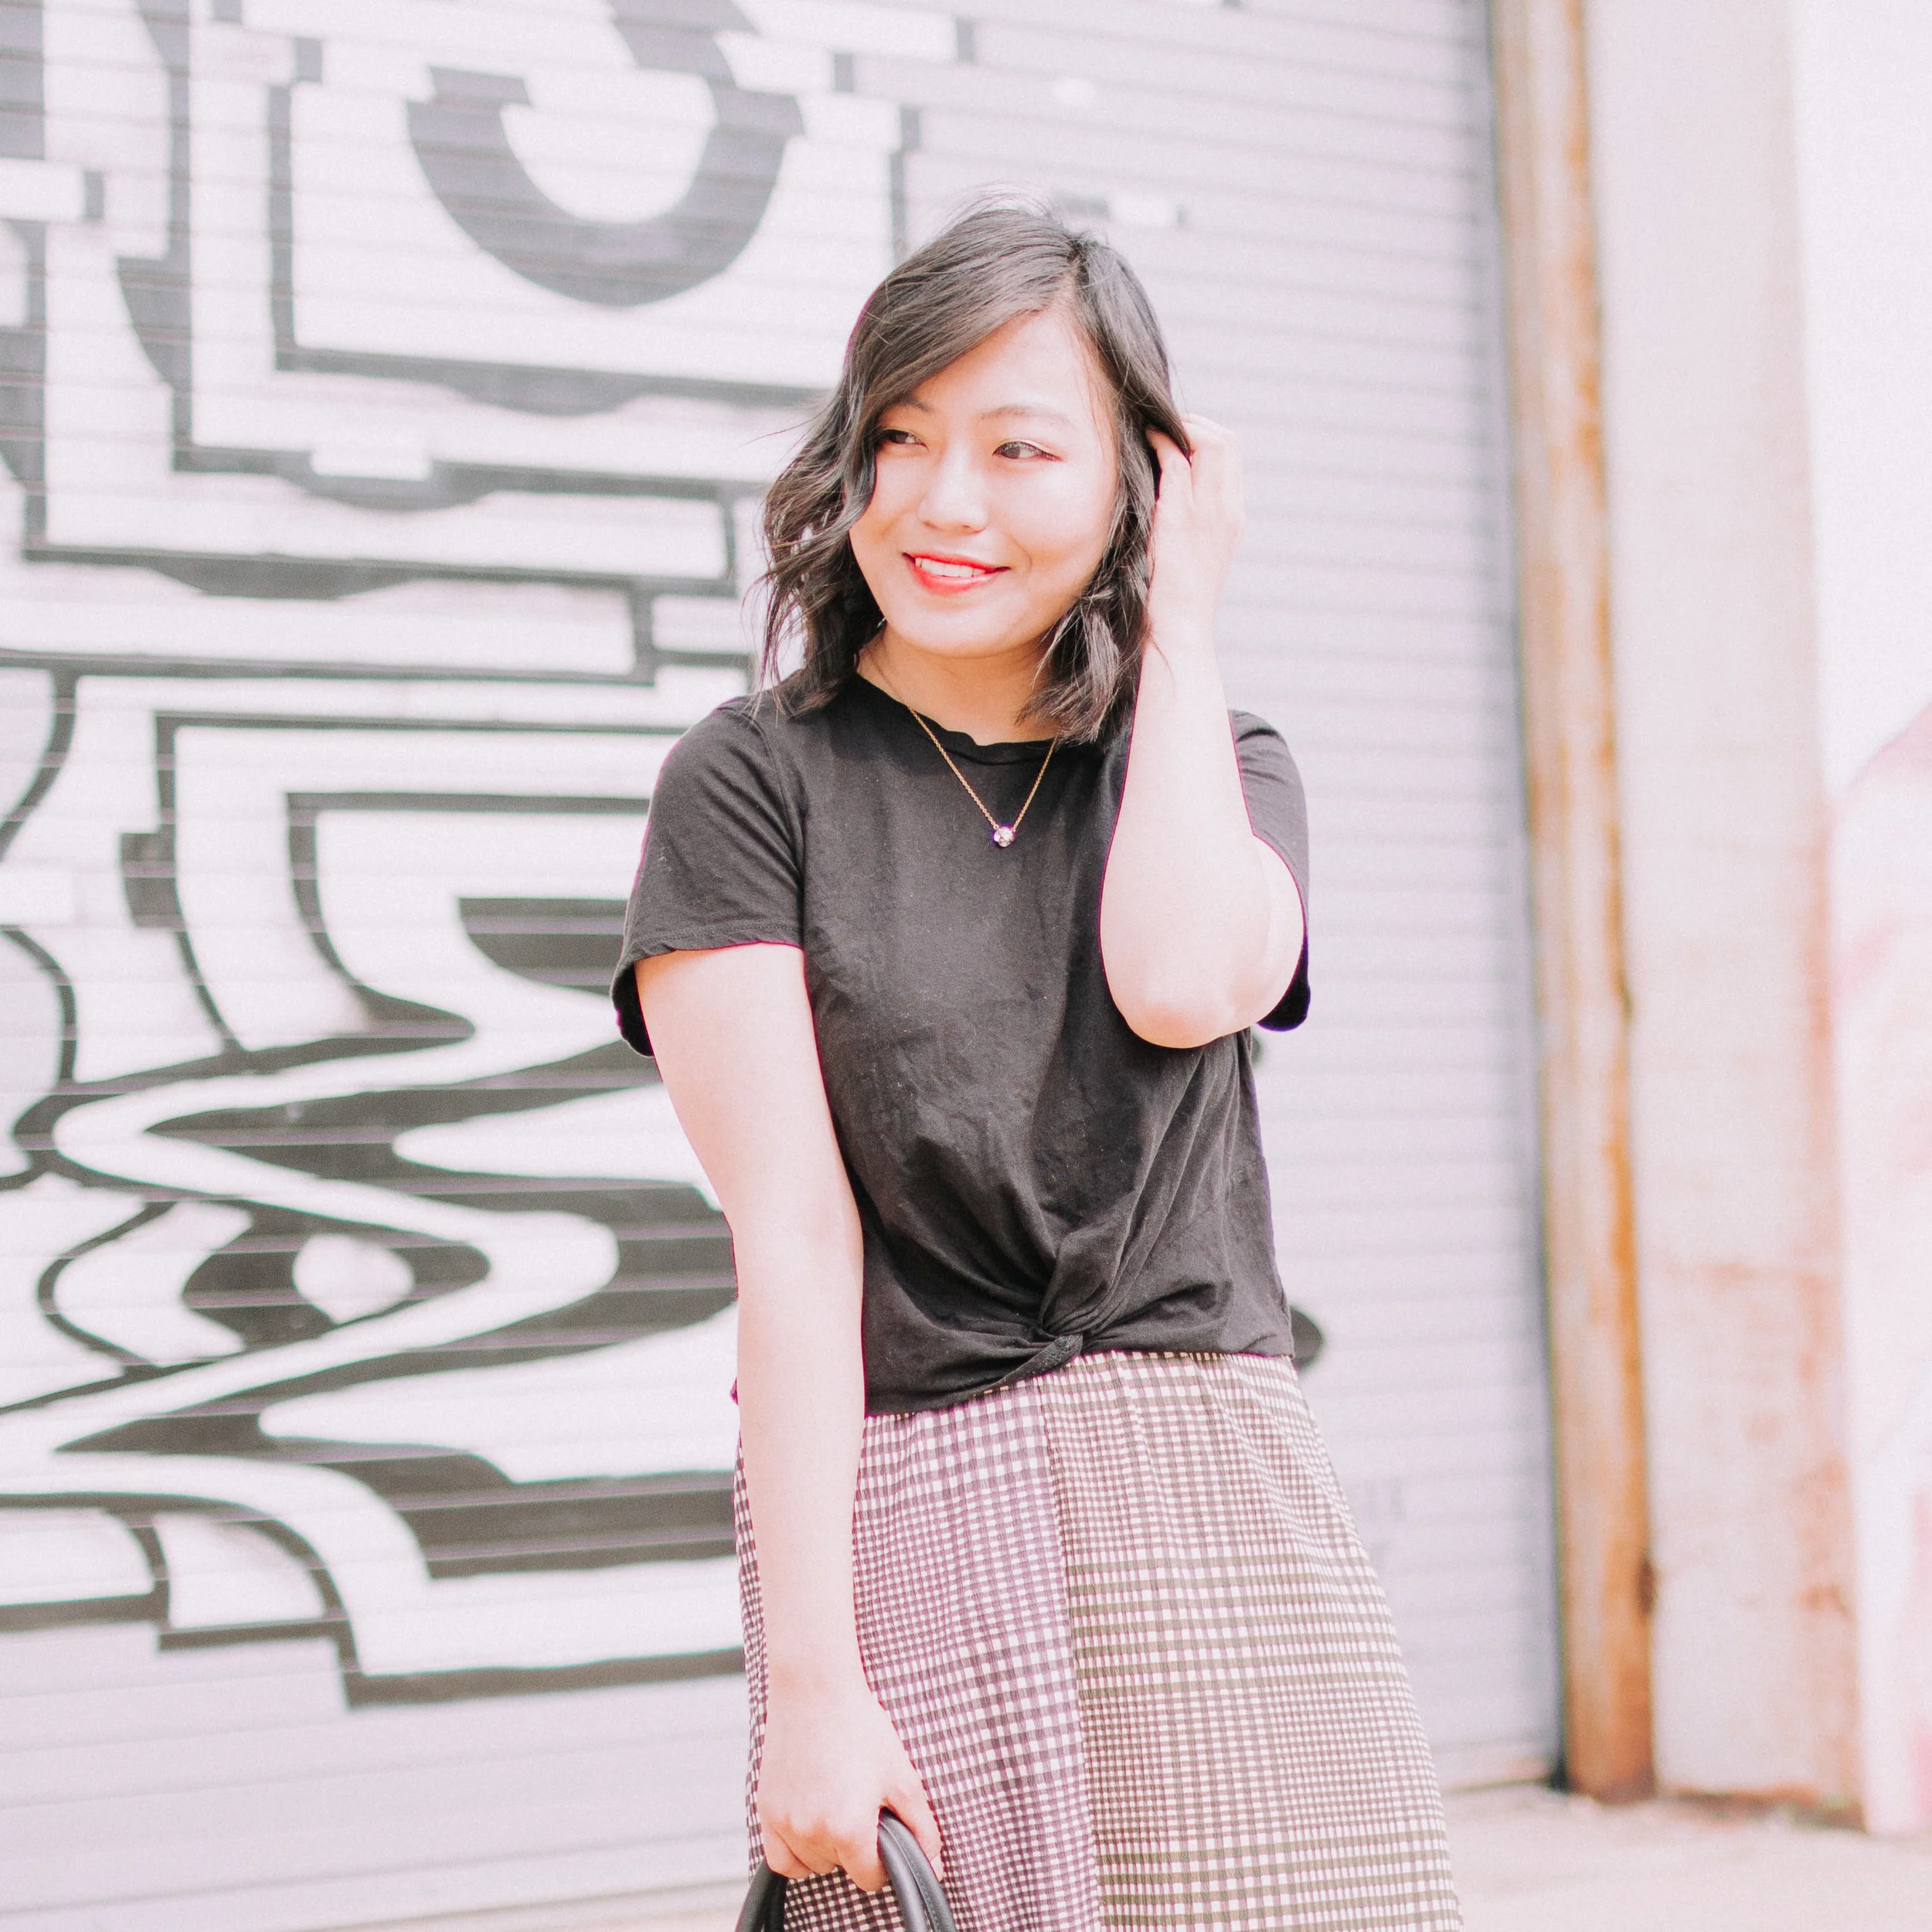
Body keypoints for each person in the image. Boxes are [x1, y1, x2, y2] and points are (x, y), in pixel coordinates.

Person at [612, 202, 1461, 1932]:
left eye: (1019, 448)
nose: (943, 502)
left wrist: (1182, 626)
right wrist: (813, 1685)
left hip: (1212, 1478)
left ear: (1136, 485)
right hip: (914, 1488)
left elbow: (1174, 978)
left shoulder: (1213, 755)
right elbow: (789, 1240)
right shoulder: (752, 781)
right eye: (901, 438)